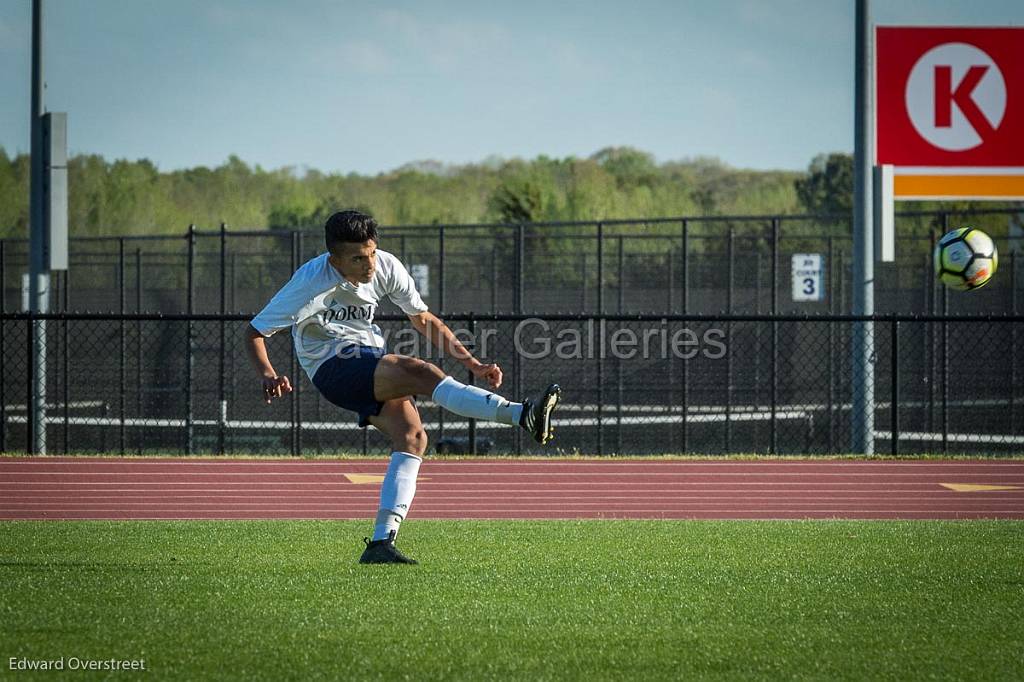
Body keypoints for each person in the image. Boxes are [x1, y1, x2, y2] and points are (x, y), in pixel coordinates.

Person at [245, 210, 560, 565]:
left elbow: (423, 319)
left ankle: (381, 543)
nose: (369, 265)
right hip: (330, 367)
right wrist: (268, 374)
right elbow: (255, 332)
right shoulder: (308, 281)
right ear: (334, 259)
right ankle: (522, 415)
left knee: (412, 437)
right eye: (357, 258)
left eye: (372, 253)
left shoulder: (387, 267)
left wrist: (472, 363)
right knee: (420, 371)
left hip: (367, 357)